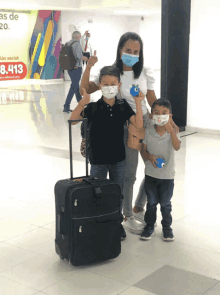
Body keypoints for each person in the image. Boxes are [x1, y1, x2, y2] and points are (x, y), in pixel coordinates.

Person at [80, 32, 179, 238]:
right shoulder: (111, 73)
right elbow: (86, 88)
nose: (132, 55)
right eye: (128, 51)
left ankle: (138, 207)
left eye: (136, 52)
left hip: (146, 125)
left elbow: (152, 100)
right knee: (129, 173)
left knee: (154, 167)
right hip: (125, 128)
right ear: (120, 50)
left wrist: (167, 120)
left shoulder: (144, 72)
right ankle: (126, 215)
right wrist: (89, 66)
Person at [69, 65, 144, 240]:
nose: (109, 87)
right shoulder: (93, 107)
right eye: (105, 84)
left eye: (113, 83)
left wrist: (139, 102)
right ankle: (99, 223)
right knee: (98, 193)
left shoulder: (122, 105)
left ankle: (116, 223)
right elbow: (72, 121)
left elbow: (138, 124)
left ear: (118, 85)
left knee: (117, 193)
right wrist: (82, 103)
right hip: (98, 161)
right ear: (100, 85)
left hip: (118, 159)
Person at [140, 99, 181, 241]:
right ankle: (149, 226)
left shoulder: (173, 131)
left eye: (164, 113)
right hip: (151, 175)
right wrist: (150, 157)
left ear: (170, 116)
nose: (160, 115)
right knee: (151, 203)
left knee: (165, 203)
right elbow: (143, 151)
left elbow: (177, 147)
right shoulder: (149, 132)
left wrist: (172, 131)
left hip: (167, 176)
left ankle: (167, 227)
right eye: (156, 113)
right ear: (151, 116)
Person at [63, 31, 88, 113]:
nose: (80, 38)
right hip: (77, 68)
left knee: (75, 85)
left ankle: (81, 103)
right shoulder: (77, 44)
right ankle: (66, 106)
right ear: (77, 37)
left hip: (69, 68)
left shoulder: (68, 43)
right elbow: (79, 56)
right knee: (73, 87)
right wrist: (87, 58)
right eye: (80, 36)